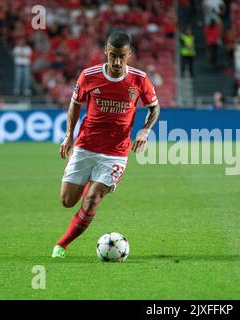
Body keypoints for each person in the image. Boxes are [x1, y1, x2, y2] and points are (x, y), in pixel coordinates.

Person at [52, 32, 161, 258]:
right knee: (67, 201)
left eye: (122, 57)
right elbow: (75, 105)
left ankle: (61, 245)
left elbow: (154, 107)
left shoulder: (140, 79)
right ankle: (89, 188)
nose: (117, 62)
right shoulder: (88, 76)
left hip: (115, 153)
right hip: (85, 146)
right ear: (106, 52)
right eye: (113, 56)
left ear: (129, 54)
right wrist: (68, 136)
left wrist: (145, 130)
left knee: (91, 200)